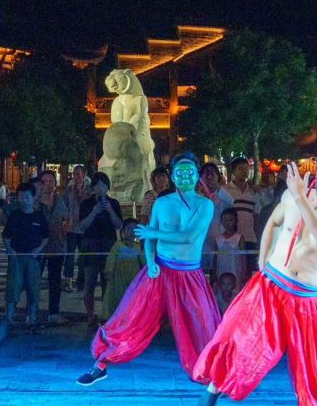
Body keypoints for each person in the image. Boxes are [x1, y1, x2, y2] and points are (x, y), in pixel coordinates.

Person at [194, 153, 317, 406]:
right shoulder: (293, 195)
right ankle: (215, 385)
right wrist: (262, 262)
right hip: (271, 284)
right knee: (237, 337)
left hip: (306, 301)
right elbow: (273, 223)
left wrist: (301, 199)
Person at [78, 152, 220, 387]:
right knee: (129, 318)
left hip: (189, 274)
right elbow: (150, 237)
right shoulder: (162, 203)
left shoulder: (205, 205)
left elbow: (187, 237)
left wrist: (152, 234)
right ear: (173, 177)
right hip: (159, 270)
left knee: (202, 324)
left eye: (189, 173)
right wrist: (151, 261)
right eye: (180, 173)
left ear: (196, 177)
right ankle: (101, 362)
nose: (185, 177)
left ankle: (213, 375)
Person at [76, 172, 123, 327]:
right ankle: (90, 316)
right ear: (93, 187)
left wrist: (110, 211)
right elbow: (82, 226)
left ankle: (106, 315)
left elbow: (118, 225)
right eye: (97, 185)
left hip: (109, 245)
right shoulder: (87, 204)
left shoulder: (114, 203)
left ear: (107, 187)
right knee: (89, 281)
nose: (101, 189)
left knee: (107, 282)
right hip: (91, 244)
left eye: (103, 185)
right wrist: (94, 211)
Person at [3, 181, 49, 330]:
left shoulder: (39, 216)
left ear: (33, 197)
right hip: (17, 257)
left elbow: (46, 236)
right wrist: (10, 250)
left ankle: (32, 319)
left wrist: (39, 249)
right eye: (21, 197)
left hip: (33, 258)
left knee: (33, 288)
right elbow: (6, 236)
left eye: (27, 197)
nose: (24, 200)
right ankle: (9, 319)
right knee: (13, 287)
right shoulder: (14, 216)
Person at [36, 169, 68, 321]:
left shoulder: (60, 200)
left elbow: (67, 218)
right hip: (38, 247)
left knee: (55, 280)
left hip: (56, 246)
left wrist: (64, 229)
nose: (48, 185)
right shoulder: (35, 202)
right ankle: (32, 310)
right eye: (45, 182)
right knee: (34, 279)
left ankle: (53, 312)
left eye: (51, 181)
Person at [100, 219, 145, 319]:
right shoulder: (118, 245)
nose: (131, 231)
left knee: (131, 298)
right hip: (118, 278)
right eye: (129, 228)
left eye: (134, 229)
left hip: (133, 278)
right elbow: (111, 258)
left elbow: (143, 261)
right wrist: (109, 270)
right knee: (118, 297)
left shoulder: (138, 247)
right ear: (123, 231)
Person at [63, 164, 91, 287]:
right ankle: (68, 278)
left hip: (84, 228)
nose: (76, 177)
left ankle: (81, 279)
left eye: (78, 174)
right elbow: (65, 205)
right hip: (71, 227)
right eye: (74, 174)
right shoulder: (69, 189)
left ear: (84, 175)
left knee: (83, 254)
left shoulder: (89, 189)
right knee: (69, 254)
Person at [224, 157, 261, 250]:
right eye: (240, 169)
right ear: (234, 171)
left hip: (250, 237)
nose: (244, 171)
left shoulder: (253, 192)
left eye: (246, 168)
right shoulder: (225, 190)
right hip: (231, 238)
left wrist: (258, 236)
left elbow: (256, 216)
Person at [212, 208, 244, 284]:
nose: (227, 223)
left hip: (235, 269)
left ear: (235, 221)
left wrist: (243, 273)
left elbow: (243, 258)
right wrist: (214, 273)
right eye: (225, 220)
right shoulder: (218, 238)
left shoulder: (239, 237)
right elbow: (215, 259)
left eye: (230, 220)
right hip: (221, 268)